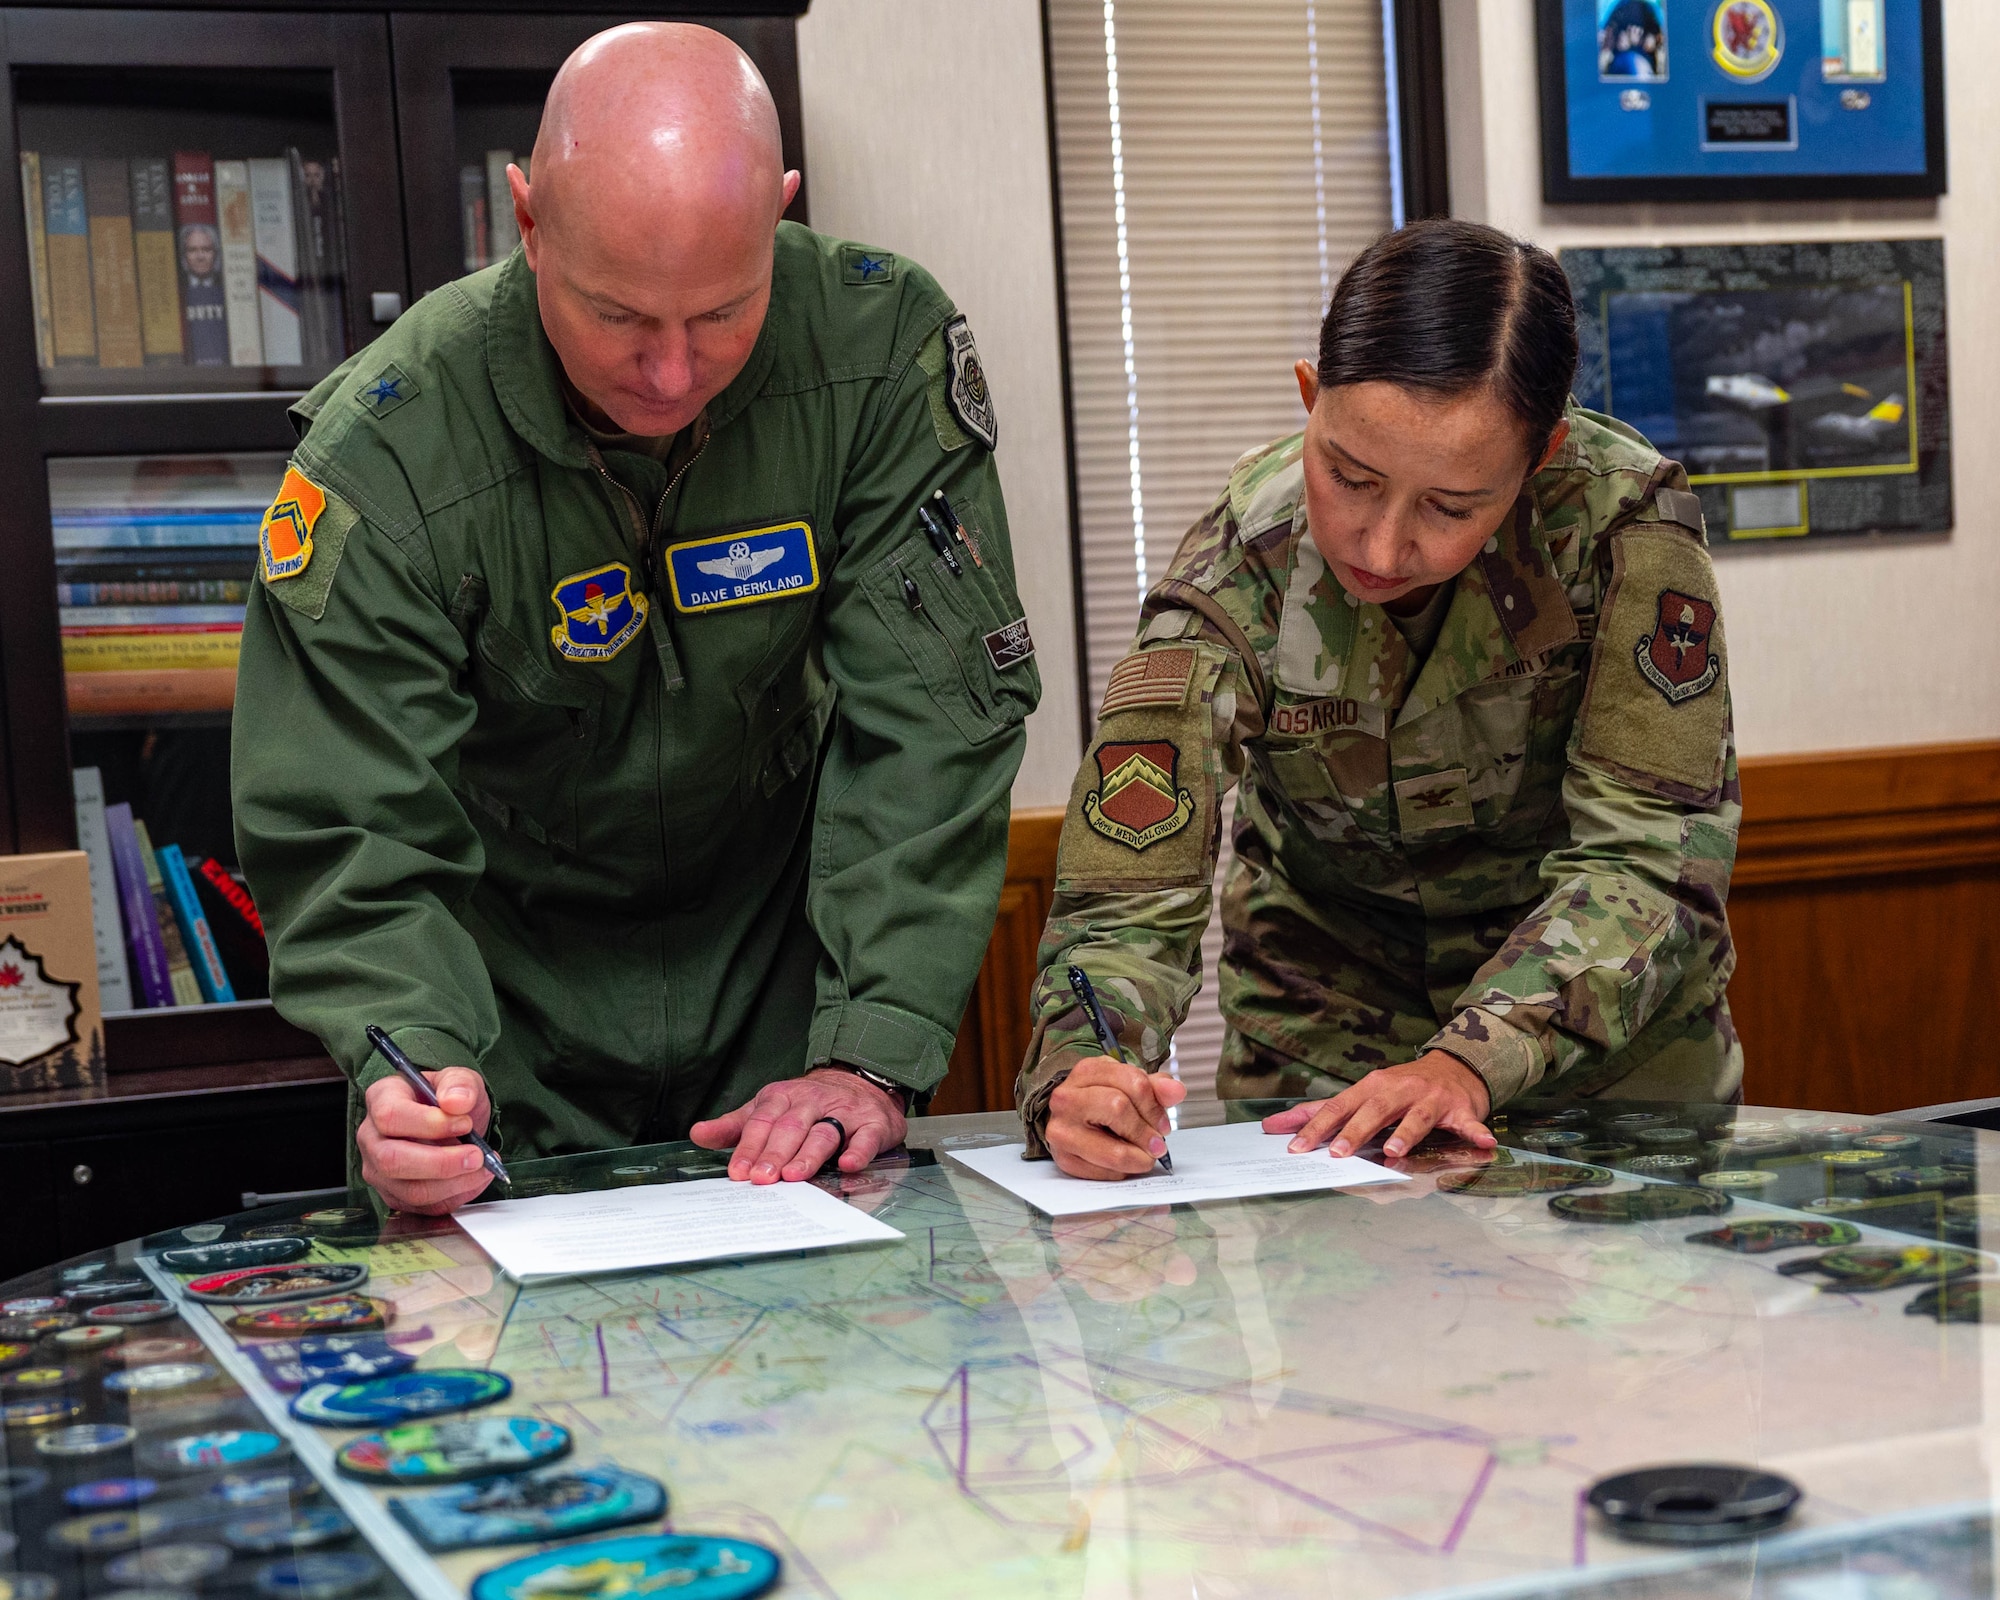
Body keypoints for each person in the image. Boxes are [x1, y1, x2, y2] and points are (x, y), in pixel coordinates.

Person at [232, 22, 1039, 1213]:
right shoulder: (389, 454)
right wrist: (410, 1063)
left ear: (782, 210)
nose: (670, 373)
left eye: (721, 313)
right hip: (500, 1024)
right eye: (617, 316)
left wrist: (867, 1048)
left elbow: (928, 727)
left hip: (785, 1006)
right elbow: (351, 821)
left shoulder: (875, 355)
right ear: (524, 219)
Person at [1018, 219, 1738, 1181]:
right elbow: (1128, 891)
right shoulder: (1239, 568)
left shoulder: (1622, 529)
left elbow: (1653, 860)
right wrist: (1086, 1067)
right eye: (1349, 477)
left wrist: (1467, 1061)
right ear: (1311, 400)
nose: (1382, 546)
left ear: (1539, 456)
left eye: (1451, 508)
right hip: (1324, 1069)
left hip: (1601, 1064)